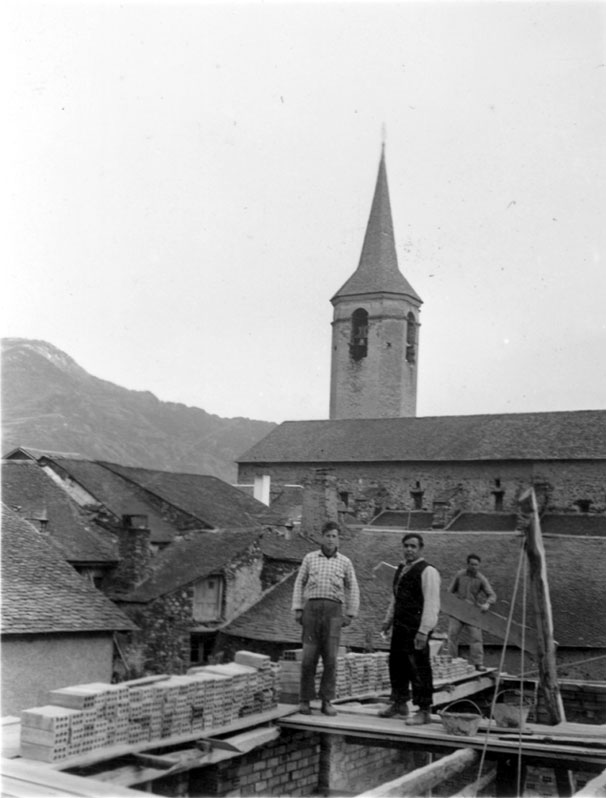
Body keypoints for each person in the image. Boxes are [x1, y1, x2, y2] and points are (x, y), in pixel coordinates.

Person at [292, 520, 360, 716]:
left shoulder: (345, 562)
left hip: (334, 612)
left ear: (339, 540)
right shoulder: (310, 558)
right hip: (311, 610)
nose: (330, 540)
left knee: (330, 659)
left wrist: (350, 613)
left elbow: (353, 587)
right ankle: (305, 699)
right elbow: (299, 583)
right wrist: (298, 608)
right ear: (322, 537)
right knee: (308, 658)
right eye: (328, 536)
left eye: (334, 536)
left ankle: (327, 701)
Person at [378, 533, 440, 725]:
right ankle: (399, 703)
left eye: (413, 546)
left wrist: (424, 630)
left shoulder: (428, 571)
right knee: (397, 664)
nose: (409, 550)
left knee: (418, 668)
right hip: (400, 626)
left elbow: (432, 603)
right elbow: (395, 598)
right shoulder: (401, 569)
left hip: (416, 628)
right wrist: (388, 620)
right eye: (406, 546)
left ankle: (423, 710)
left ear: (420, 549)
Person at [447, 553, 496, 671]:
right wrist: (451, 606)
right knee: (452, 635)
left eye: (476, 565)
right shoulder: (460, 575)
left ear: (479, 566)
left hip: (472, 612)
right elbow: (449, 591)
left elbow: (492, 595)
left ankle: (478, 663)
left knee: (476, 637)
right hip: (458, 611)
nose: (474, 567)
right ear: (467, 564)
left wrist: (487, 604)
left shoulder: (481, 579)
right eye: (472, 564)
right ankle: (451, 661)